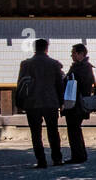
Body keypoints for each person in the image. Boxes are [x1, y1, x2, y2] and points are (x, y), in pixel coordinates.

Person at [15, 38, 65, 169]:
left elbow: (20, 84)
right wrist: (61, 102)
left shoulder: (26, 64)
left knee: (35, 133)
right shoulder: (54, 64)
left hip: (32, 102)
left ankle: (41, 160)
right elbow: (60, 85)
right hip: (51, 101)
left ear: (34, 48)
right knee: (53, 131)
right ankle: (57, 158)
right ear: (47, 48)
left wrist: (20, 102)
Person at [63, 43, 96, 165]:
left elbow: (78, 84)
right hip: (78, 103)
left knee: (74, 129)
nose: (72, 55)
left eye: (74, 53)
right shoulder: (85, 67)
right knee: (75, 129)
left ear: (80, 54)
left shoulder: (81, 68)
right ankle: (80, 154)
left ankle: (78, 155)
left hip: (76, 103)